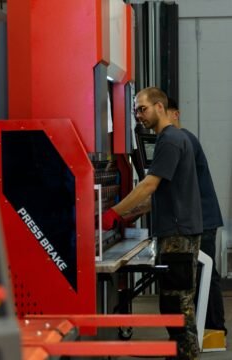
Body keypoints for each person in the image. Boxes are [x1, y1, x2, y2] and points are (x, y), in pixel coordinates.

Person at [102, 87, 203, 360]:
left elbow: (149, 185)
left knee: (176, 305)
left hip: (177, 235)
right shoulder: (175, 139)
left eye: (142, 109)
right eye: (135, 110)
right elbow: (162, 194)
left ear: (160, 107)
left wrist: (113, 212)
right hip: (180, 231)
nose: (138, 115)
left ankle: (186, 356)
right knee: (176, 304)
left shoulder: (169, 140)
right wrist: (130, 214)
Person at [167, 97, 227, 335]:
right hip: (201, 217)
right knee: (206, 275)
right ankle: (211, 328)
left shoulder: (184, 141)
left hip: (203, 219)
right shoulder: (183, 140)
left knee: (207, 275)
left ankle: (215, 329)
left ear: (175, 114)